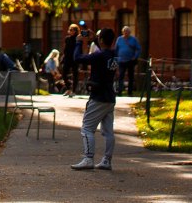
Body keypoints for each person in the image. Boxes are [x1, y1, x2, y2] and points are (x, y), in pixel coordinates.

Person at [70, 27, 119, 171]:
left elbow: (78, 58)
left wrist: (79, 43)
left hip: (98, 97)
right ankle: (107, 160)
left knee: (87, 128)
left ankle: (88, 158)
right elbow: (104, 51)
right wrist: (94, 39)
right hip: (110, 96)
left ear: (101, 40)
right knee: (108, 131)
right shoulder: (113, 54)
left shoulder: (99, 56)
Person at [114, 26, 141, 96]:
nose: (126, 33)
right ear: (123, 32)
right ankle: (120, 91)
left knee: (131, 77)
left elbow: (138, 49)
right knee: (121, 76)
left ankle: (130, 92)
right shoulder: (119, 39)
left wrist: (135, 57)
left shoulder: (133, 39)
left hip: (130, 61)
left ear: (129, 32)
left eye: (127, 32)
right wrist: (115, 59)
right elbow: (116, 49)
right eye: (125, 31)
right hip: (121, 61)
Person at [60, 24, 80, 96]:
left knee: (75, 74)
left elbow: (79, 49)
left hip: (74, 59)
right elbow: (65, 49)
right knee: (64, 73)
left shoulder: (78, 39)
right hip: (67, 58)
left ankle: (73, 91)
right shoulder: (67, 39)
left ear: (75, 31)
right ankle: (68, 88)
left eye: (72, 30)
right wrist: (63, 57)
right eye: (70, 30)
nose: (70, 31)